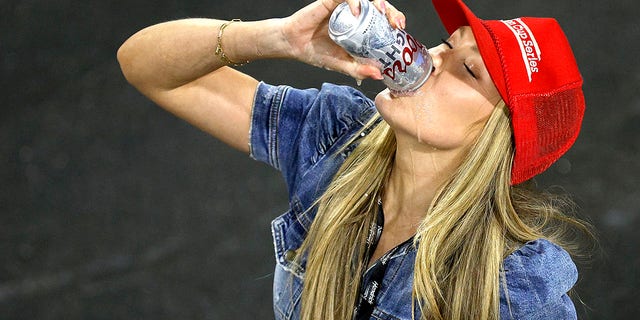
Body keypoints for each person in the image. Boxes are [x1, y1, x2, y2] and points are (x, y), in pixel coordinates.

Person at [117, 0, 593, 319]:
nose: (427, 58)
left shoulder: (515, 282)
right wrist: (278, 38)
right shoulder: (339, 135)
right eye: (447, 45)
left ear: (503, 134)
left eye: (468, 69)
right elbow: (146, 66)